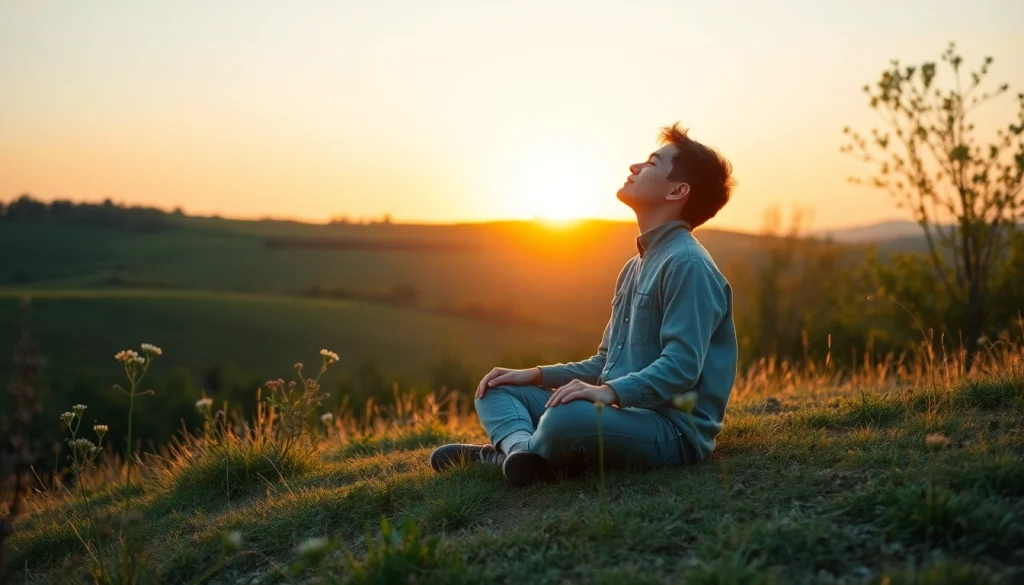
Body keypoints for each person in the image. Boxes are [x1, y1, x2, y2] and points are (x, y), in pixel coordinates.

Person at [431, 123, 738, 487]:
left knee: (567, 416)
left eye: (653, 163)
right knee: (497, 387)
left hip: (670, 433)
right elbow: (604, 363)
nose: (635, 167)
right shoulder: (634, 266)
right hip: (615, 414)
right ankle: (521, 454)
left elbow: (682, 367)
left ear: (678, 190)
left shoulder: (687, 264)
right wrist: (535, 375)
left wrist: (607, 393)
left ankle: (507, 451)